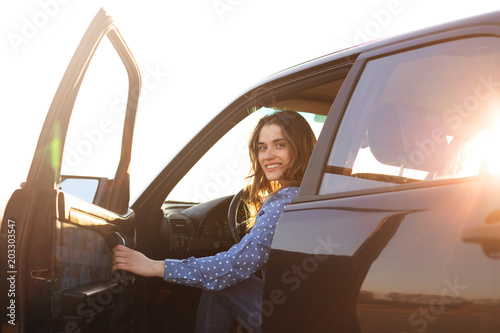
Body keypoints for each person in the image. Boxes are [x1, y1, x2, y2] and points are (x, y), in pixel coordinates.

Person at [112, 110, 317, 332]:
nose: (267, 156)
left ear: (300, 148)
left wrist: (154, 266)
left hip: (297, 320)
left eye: (280, 145)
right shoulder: (306, 195)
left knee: (220, 282)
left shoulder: (284, 202)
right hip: (308, 309)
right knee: (221, 279)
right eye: (262, 147)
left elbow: (234, 265)